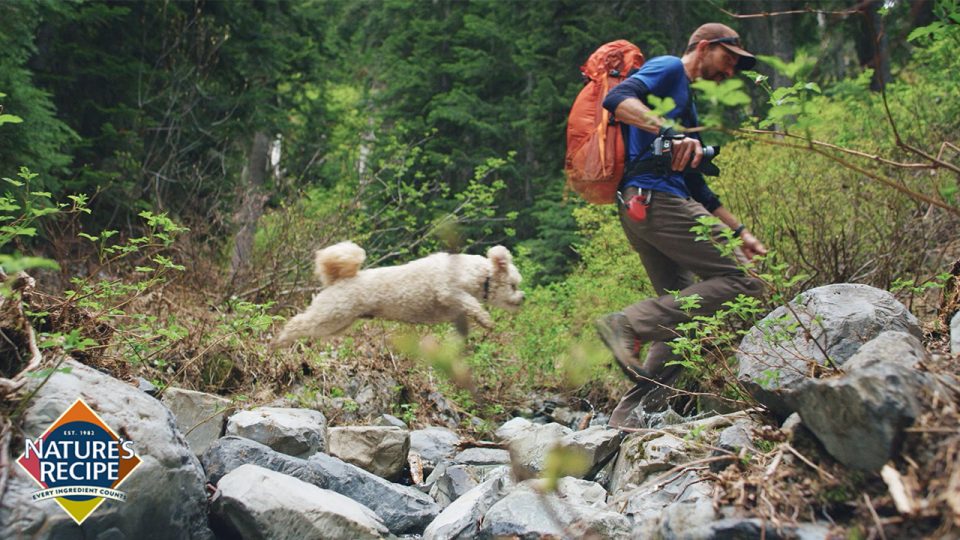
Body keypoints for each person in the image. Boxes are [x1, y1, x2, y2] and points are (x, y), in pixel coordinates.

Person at [596, 23, 768, 429]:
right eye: (728, 59)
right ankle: (627, 324)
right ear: (704, 47)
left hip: (644, 206)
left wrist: (739, 231)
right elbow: (616, 98)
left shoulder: (684, 100)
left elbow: (697, 186)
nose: (729, 72)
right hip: (657, 200)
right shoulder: (671, 68)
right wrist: (669, 132)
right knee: (745, 282)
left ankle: (630, 421)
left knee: (685, 315)